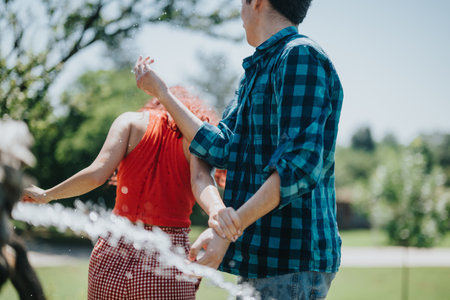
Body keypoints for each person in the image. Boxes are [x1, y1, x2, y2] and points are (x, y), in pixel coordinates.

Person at [133, 0, 344, 298]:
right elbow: (222, 147)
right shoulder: (257, 69)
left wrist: (228, 228)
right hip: (261, 258)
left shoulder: (300, 56)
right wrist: (162, 94)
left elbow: (298, 166)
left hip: (290, 260)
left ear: (256, 2)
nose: (239, 14)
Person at [22, 86, 241, 300]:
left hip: (113, 251)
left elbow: (96, 175)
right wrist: (218, 213)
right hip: (166, 255)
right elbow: (200, 180)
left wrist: (46, 194)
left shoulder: (129, 122)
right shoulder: (194, 135)